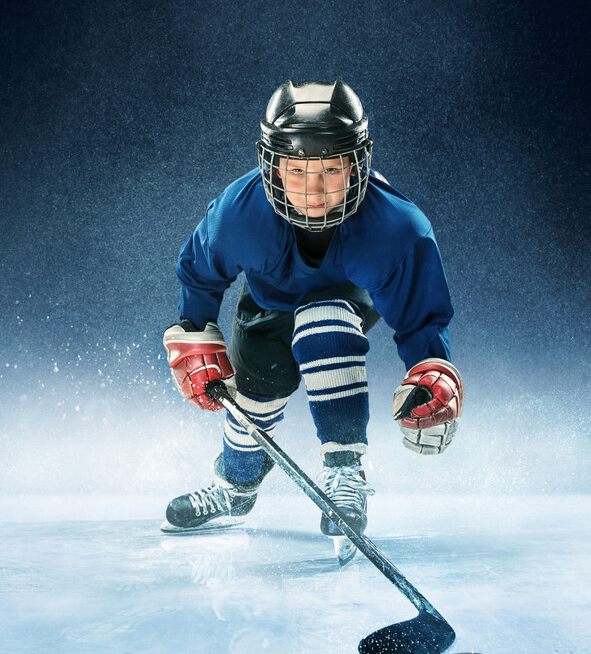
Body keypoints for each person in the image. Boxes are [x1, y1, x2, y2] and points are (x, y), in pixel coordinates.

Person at [161, 79, 464, 554]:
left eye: (330, 169)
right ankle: (236, 488)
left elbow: (422, 318)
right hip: (265, 309)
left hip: (344, 302)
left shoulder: (397, 229)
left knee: (323, 320)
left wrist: (429, 373)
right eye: (297, 171)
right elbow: (199, 272)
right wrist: (197, 332)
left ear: (357, 165)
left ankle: (345, 473)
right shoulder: (238, 215)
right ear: (272, 168)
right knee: (256, 399)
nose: (314, 190)